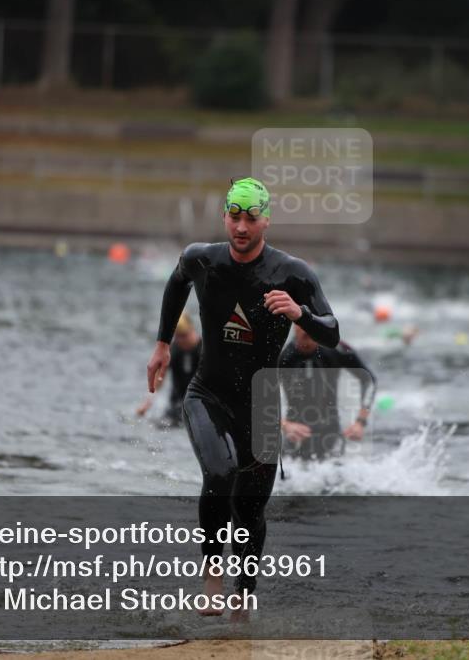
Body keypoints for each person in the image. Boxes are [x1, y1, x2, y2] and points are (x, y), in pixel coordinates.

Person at [145, 177, 339, 621]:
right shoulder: (202, 259)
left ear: (266, 220)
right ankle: (213, 577)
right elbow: (177, 283)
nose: (242, 227)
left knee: (251, 506)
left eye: (251, 218)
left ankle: (243, 593)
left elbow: (332, 330)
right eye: (235, 216)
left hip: (263, 403)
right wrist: (162, 344)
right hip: (207, 393)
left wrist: (299, 313)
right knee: (219, 473)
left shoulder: (293, 273)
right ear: (225, 217)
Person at [279, 325, 377, 460]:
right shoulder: (282, 355)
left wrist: (360, 422)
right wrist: (283, 424)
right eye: (301, 324)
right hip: (294, 432)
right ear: (294, 326)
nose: (306, 330)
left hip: (330, 431)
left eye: (309, 323)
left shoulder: (337, 349)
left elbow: (368, 380)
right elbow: (255, 396)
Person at [136, 312, 200, 427]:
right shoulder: (173, 350)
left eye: (184, 335)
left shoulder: (204, 349)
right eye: (178, 336)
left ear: (192, 330)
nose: (181, 340)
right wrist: (147, 404)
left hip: (199, 405)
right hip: (177, 405)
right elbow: (160, 378)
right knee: (158, 425)